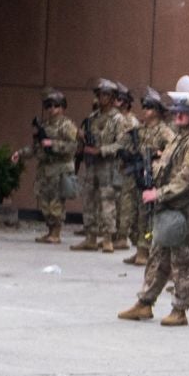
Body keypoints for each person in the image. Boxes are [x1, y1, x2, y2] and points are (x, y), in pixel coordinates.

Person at [119, 85, 189, 326]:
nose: (178, 115)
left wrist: (159, 193)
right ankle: (145, 303)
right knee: (158, 256)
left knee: (182, 261)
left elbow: (188, 177)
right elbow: (166, 165)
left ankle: (179, 310)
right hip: (171, 207)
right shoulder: (180, 137)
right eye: (177, 111)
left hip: (186, 209)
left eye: (183, 112)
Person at [72, 79, 127, 252]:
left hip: (108, 166)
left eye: (106, 94)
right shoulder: (91, 118)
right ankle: (90, 237)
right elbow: (84, 142)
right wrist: (80, 138)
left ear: (113, 97)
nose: (102, 98)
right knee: (89, 199)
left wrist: (101, 150)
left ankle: (108, 238)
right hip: (92, 166)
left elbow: (122, 143)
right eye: (100, 94)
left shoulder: (118, 119)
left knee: (107, 202)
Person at [19, 90, 81, 243]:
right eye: (48, 106)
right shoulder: (44, 126)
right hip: (45, 170)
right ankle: (50, 231)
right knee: (45, 203)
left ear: (62, 107)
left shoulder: (67, 125)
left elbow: (75, 146)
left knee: (56, 203)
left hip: (60, 169)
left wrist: (54, 144)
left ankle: (56, 233)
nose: (52, 109)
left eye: (56, 105)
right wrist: (20, 153)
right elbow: (35, 148)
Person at [119, 84, 170, 266]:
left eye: (149, 107)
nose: (145, 111)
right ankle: (139, 249)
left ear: (157, 110)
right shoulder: (140, 130)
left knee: (146, 216)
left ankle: (145, 250)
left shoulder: (164, 131)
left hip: (152, 177)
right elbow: (124, 142)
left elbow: (172, 152)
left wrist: (157, 155)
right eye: (145, 107)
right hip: (137, 175)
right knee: (131, 213)